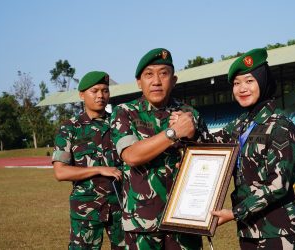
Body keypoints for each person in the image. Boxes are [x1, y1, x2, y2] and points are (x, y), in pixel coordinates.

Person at [198, 48, 295, 249]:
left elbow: (278, 185)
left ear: (263, 82)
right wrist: (189, 124)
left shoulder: (281, 126)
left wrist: (234, 213)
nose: (242, 88)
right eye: (237, 83)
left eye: (249, 81)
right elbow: (208, 144)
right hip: (249, 229)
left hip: (282, 231)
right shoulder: (239, 125)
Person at [110, 48, 209, 249]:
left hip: (185, 220)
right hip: (142, 222)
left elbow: (211, 162)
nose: (156, 81)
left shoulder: (190, 115)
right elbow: (131, 155)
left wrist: (193, 136)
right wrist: (173, 133)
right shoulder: (125, 112)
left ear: (173, 80)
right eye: (149, 74)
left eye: (163, 73)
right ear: (139, 82)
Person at [52, 71, 125, 249]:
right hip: (86, 210)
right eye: (95, 91)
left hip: (120, 206)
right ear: (82, 94)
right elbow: (60, 172)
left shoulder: (119, 124)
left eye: (105, 90)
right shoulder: (70, 128)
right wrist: (99, 169)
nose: (101, 95)